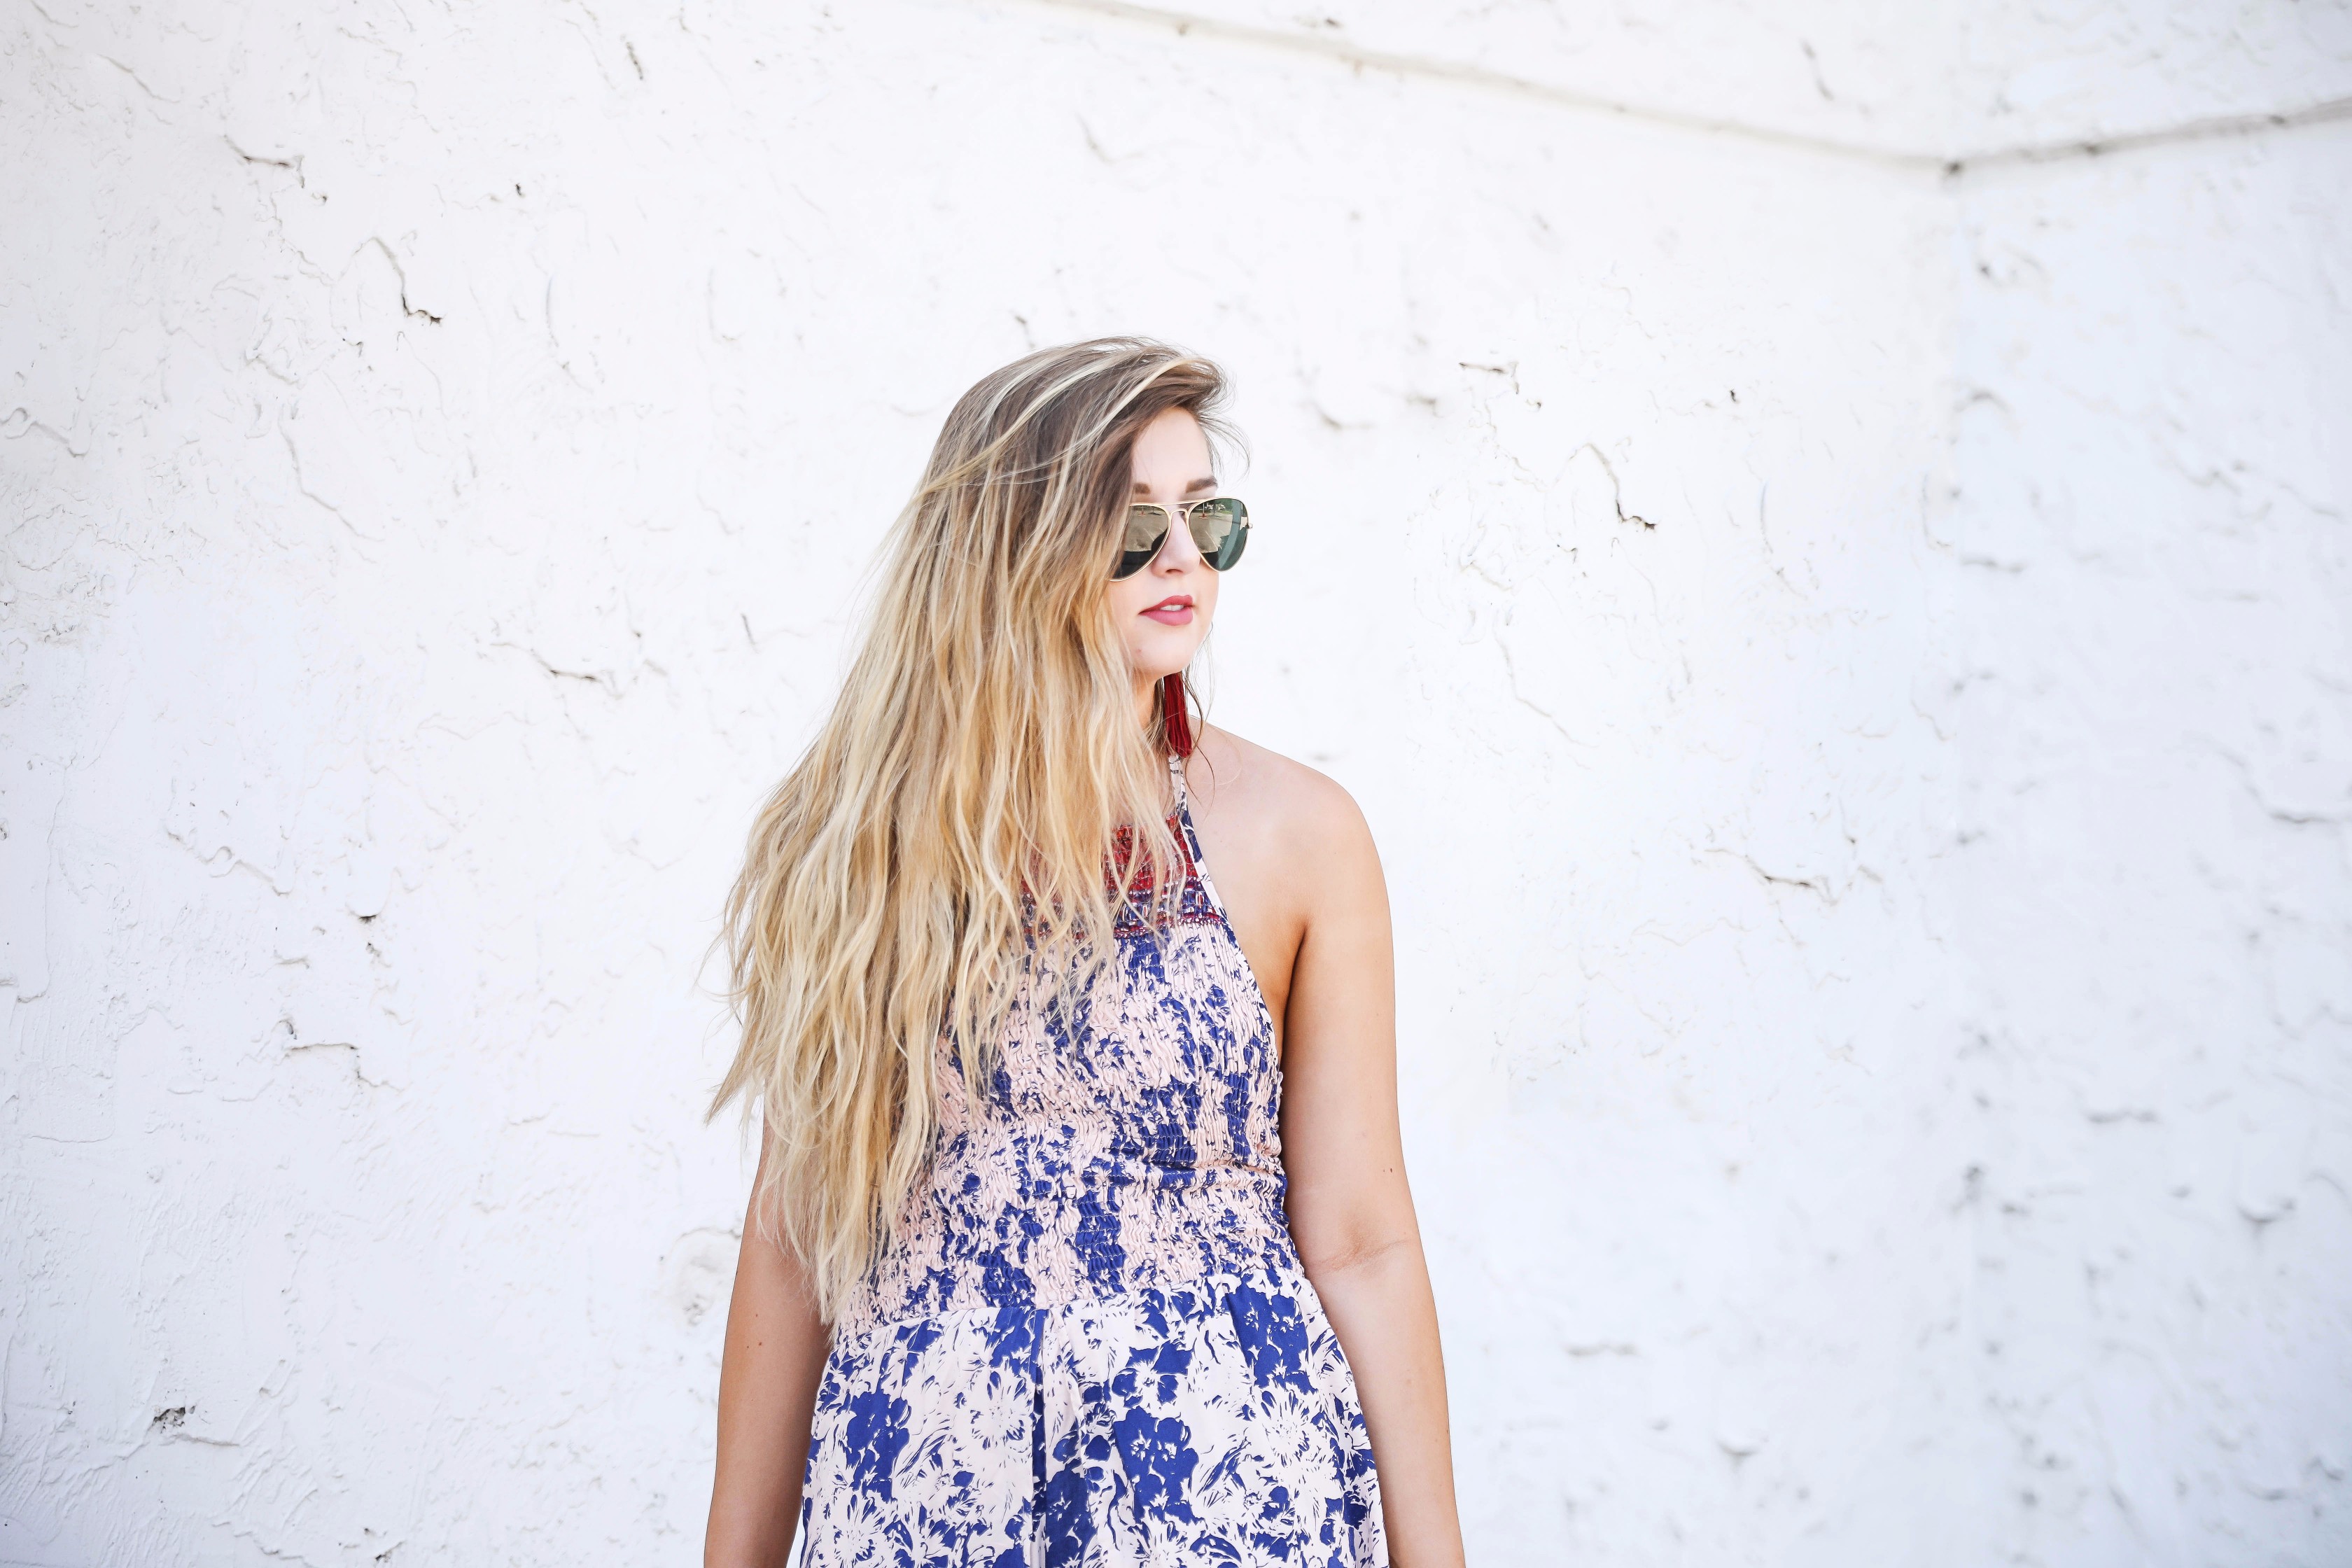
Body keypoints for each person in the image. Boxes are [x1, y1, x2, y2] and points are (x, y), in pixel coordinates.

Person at [701, 339, 1464, 1567]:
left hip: (1228, 1492)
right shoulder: (859, 845)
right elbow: (796, 1236)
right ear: (1016, 548)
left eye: (1206, 518)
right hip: (926, 1488)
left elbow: (1364, 1236)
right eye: (1130, 524)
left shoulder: (1296, 836)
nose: (1182, 559)